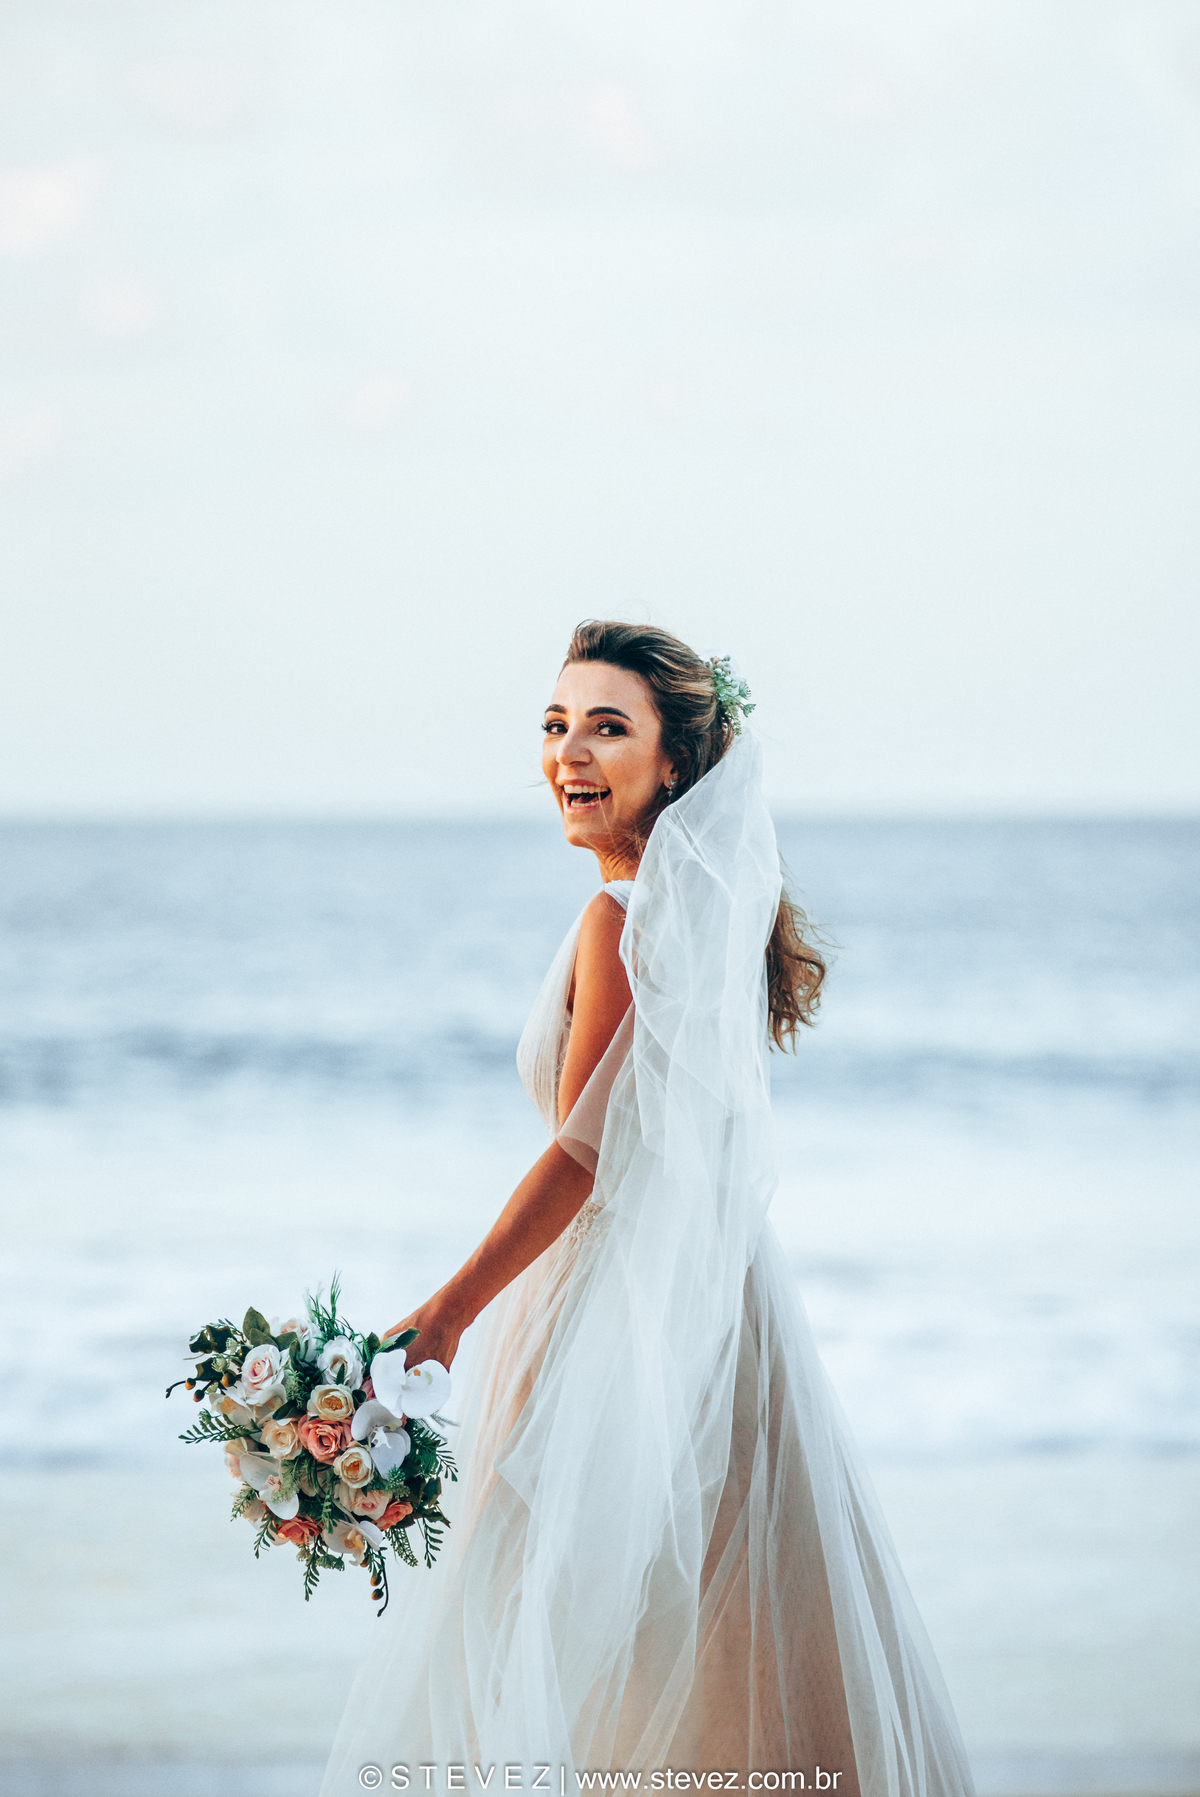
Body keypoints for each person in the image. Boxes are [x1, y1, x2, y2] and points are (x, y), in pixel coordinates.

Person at [320, 621, 975, 1797]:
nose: (570, 753)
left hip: (616, 1318)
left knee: (582, 1653)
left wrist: (448, 1313)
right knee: (744, 1643)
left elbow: (585, 1157)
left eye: (608, 727)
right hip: (719, 1308)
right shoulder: (681, 919)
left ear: (674, 763)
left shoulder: (620, 921)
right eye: (555, 725)